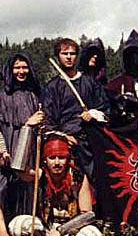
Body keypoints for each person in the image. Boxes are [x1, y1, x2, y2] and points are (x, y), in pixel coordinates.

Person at [8, 133, 104, 236]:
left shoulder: (78, 178)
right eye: (52, 158)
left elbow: (88, 214)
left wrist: (60, 231)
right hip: (46, 230)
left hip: (70, 230)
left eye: (61, 157)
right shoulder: (40, 176)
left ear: (68, 159)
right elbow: (18, 167)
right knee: (17, 224)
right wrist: (27, 129)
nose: (57, 163)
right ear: (45, 160)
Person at [0, 53, 44, 236]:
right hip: (7, 152)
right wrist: (3, 151)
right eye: (17, 67)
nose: (21, 71)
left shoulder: (33, 96)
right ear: (10, 70)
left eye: (24, 67)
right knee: (0, 191)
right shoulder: (0, 97)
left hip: (28, 153)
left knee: (27, 190)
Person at [43, 38, 109, 180]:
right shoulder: (52, 87)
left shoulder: (90, 82)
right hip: (65, 146)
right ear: (58, 56)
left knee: (95, 182)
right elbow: (49, 120)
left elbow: (105, 108)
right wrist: (64, 137)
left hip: (91, 142)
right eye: (64, 53)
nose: (69, 57)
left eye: (72, 53)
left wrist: (93, 114)